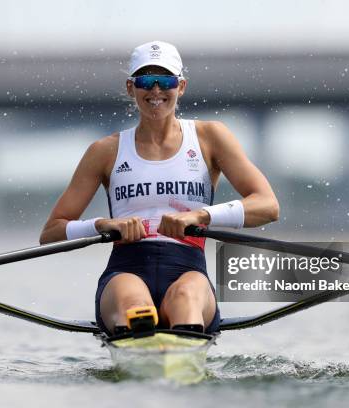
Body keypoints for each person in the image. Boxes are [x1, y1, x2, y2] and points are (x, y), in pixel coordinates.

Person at [40, 40, 279, 335]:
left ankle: (178, 344)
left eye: (165, 80)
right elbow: (51, 233)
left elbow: (268, 206)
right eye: (145, 81)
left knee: (186, 301)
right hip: (125, 270)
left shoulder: (210, 137)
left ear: (181, 86)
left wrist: (200, 217)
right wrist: (102, 224)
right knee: (134, 304)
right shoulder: (104, 151)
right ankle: (148, 337)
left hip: (188, 271)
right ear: (131, 88)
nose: (155, 90)